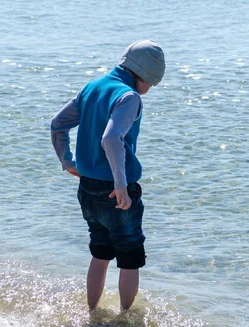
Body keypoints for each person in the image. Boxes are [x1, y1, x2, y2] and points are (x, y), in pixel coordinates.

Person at [51, 40, 165, 311]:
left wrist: (67, 161)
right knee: (130, 257)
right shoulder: (128, 96)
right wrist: (121, 185)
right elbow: (111, 138)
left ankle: (92, 312)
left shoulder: (93, 87)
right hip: (116, 192)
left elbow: (57, 124)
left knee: (100, 253)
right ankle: (125, 321)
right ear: (146, 75)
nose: (149, 90)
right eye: (151, 83)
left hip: (87, 189)